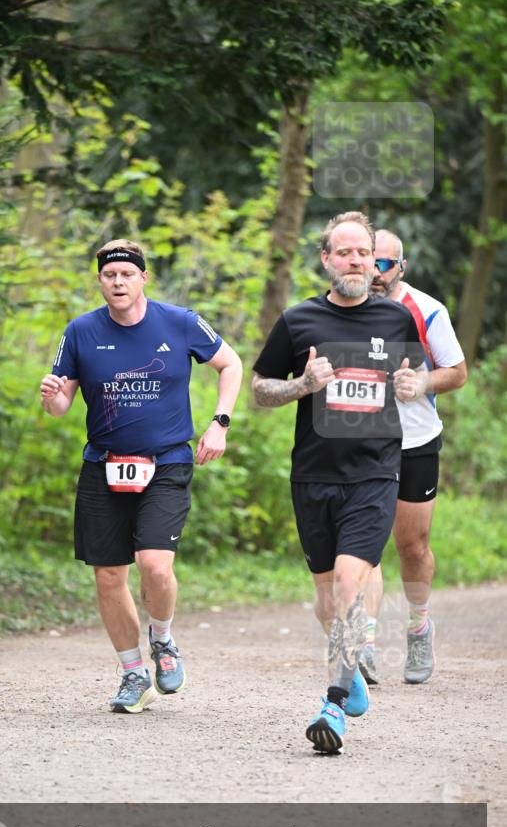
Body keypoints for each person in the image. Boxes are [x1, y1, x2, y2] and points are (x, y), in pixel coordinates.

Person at [40, 239, 242, 714]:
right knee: (109, 576)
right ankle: (133, 674)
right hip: (103, 464)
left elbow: (230, 364)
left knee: (154, 566)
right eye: (109, 276)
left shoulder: (181, 322)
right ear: (100, 282)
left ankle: (164, 640)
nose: (118, 283)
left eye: (126, 275)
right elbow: (61, 405)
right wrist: (51, 397)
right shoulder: (81, 331)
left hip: (167, 461)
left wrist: (221, 422)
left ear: (143, 278)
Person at [252, 212, 426, 754]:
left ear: (375, 260)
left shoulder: (396, 319)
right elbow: (260, 390)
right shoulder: (298, 320)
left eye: (363, 253)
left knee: (351, 584)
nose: (355, 261)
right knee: (327, 596)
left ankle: (331, 704)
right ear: (326, 259)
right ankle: (349, 675)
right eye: (344, 252)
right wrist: (303, 384)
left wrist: (410, 383)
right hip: (313, 474)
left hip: (374, 472)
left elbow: (415, 376)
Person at [361, 229, 467, 686]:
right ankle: (363, 643)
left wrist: (422, 384)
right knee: (363, 545)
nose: (377, 273)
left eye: (387, 264)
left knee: (411, 546)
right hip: (360, 443)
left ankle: (419, 624)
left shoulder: (427, 310)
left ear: (401, 267)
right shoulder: (341, 311)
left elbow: (457, 372)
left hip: (416, 441)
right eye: (371, 262)